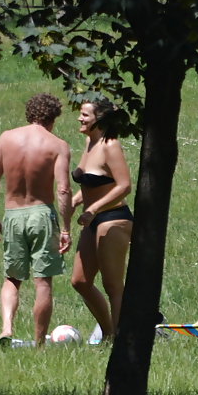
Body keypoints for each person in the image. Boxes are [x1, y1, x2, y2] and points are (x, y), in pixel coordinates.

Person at [0, 93, 73, 347]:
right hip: (41, 213)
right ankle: (39, 345)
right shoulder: (57, 145)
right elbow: (63, 189)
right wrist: (65, 228)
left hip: (13, 214)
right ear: (53, 117)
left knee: (12, 278)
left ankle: (6, 328)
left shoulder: (7, 138)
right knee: (42, 282)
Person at [70, 99, 133, 342]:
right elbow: (90, 179)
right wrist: (77, 198)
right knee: (80, 281)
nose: (79, 118)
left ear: (100, 119)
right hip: (91, 218)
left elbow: (124, 185)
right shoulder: (89, 142)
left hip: (113, 219)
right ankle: (108, 332)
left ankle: (119, 339)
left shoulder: (110, 145)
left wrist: (94, 207)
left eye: (85, 114)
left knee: (112, 285)